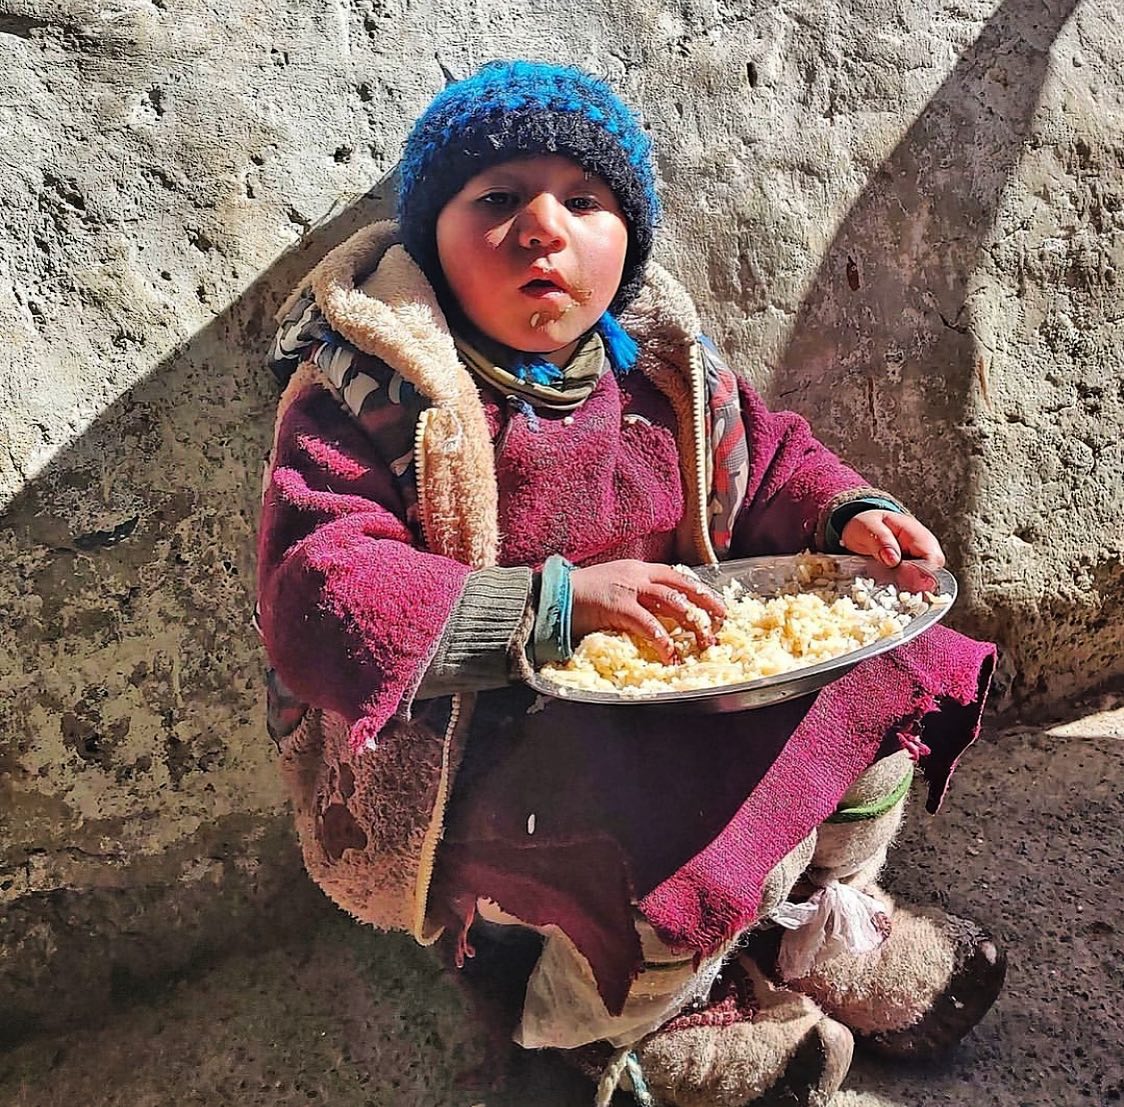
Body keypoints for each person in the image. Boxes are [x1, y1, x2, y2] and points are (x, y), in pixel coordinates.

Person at [256, 60, 1004, 1107]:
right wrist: (549, 607)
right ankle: (593, 1026)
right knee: (656, 854)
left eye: (584, 200)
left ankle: (818, 924)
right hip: (490, 748)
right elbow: (320, 589)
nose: (540, 229)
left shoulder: (655, 373)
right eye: (497, 198)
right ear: (433, 238)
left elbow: (770, 458)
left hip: (679, 690)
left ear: (626, 241)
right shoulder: (373, 398)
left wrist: (844, 513)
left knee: (890, 673)